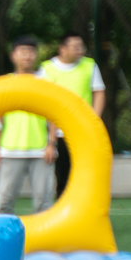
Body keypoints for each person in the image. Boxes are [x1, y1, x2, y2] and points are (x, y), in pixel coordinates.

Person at [39, 32, 105, 199]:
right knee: (62, 176)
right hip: (59, 132)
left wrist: (94, 120)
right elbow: (44, 103)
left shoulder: (90, 65)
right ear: (62, 49)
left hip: (83, 130)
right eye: (75, 47)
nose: (80, 50)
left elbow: (99, 92)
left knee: (85, 173)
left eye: (81, 47)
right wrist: (51, 138)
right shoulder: (47, 68)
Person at [0, 37, 51, 215]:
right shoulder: (4, 83)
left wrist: (51, 143)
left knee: (43, 202)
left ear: (36, 56)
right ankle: (3, 241)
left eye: (31, 51)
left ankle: (43, 243)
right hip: (11, 149)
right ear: (13, 56)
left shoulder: (44, 82)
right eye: (22, 51)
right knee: (4, 202)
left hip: (40, 150)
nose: (27, 55)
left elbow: (54, 115)